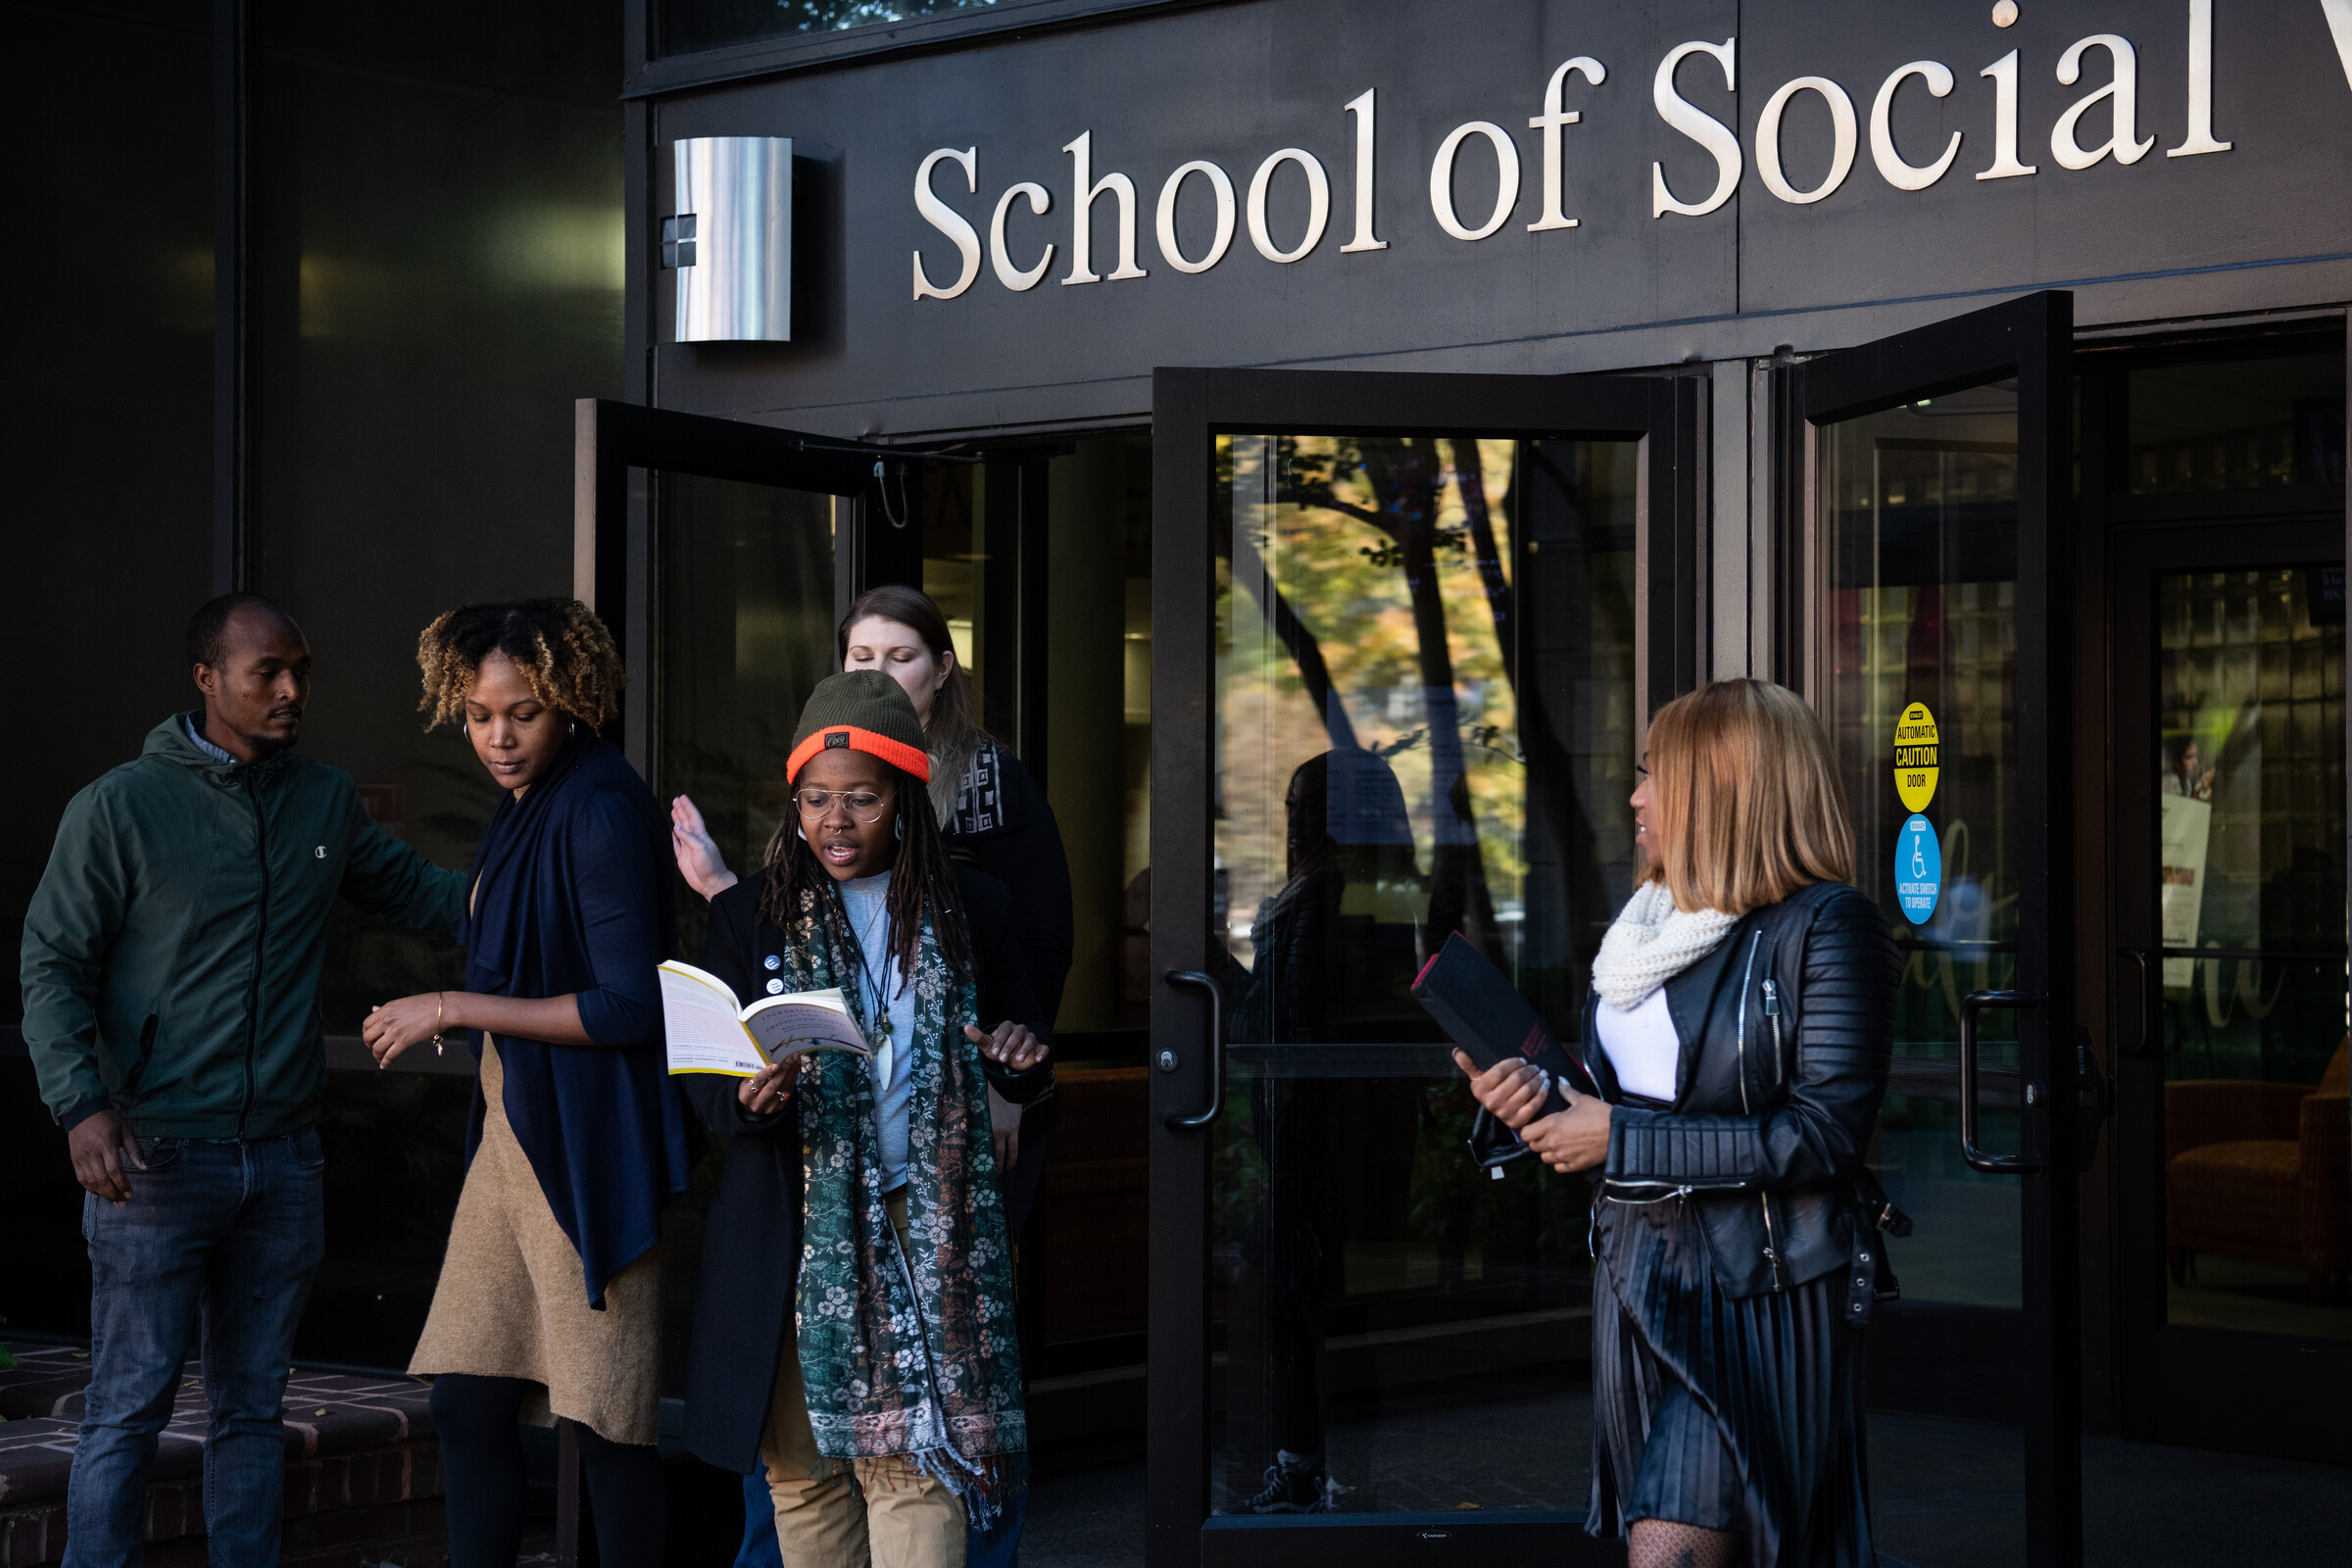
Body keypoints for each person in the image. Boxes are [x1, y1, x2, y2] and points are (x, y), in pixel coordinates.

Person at [20, 592, 466, 1567]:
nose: (292, 691)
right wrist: (80, 1106)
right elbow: (52, 963)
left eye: (300, 670)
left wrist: (552, 877)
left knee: (252, 1408)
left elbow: (430, 898)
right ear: (206, 679)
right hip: (155, 1156)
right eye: (268, 672)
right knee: (127, 1406)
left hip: (283, 1159)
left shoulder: (323, 800)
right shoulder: (121, 806)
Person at [1457, 678, 1899, 1568]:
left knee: (1670, 1544)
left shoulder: (1825, 925)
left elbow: (1823, 1135)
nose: (1635, 796)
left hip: (1758, 1284)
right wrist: (1530, 1108)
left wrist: (1616, 1137)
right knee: (1673, 1528)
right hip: (1635, 1267)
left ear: (1722, 784)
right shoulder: (1647, 927)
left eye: (1653, 773)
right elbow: (1615, 1096)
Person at [671, 587, 1071, 1568]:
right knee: (803, 1480)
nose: (835, 822)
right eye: (814, 799)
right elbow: (704, 1080)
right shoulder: (752, 915)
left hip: (924, 1228)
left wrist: (1019, 1069)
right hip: (796, 1238)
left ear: (907, 796)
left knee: (915, 1472)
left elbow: (1021, 1045)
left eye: (862, 797)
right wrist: (749, 1095)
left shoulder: (973, 903)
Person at [362, 598, 698, 1568]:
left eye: (523, 712)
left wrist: (453, 1004)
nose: (499, 737)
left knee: (605, 1426)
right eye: (478, 715)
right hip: (516, 1138)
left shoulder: (595, 806)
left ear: (572, 699)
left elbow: (631, 1008)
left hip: (590, 1146)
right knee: (468, 1401)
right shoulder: (524, 808)